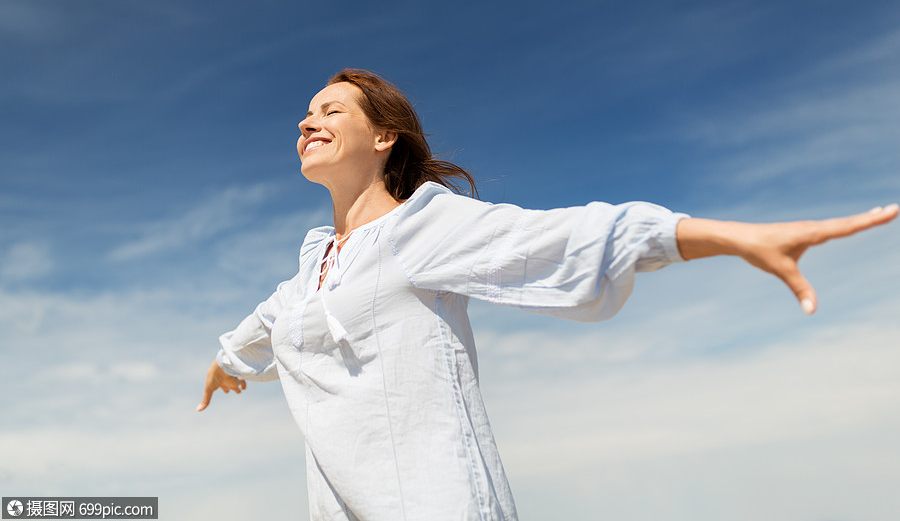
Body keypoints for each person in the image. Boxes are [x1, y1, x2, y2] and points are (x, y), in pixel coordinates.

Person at [197, 69, 897, 521]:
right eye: (304, 114)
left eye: (329, 110)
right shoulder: (318, 259)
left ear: (383, 135)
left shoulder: (421, 226)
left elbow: (562, 239)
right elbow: (272, 317)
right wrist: (228, 360)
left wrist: (726, 236)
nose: (305, 121)